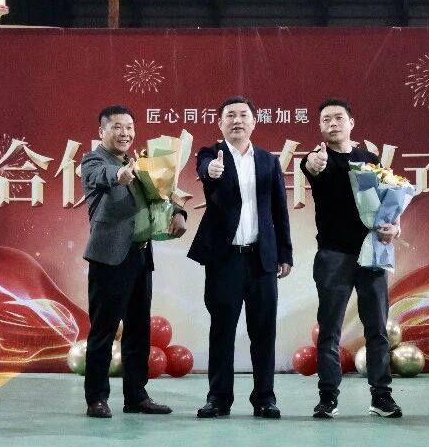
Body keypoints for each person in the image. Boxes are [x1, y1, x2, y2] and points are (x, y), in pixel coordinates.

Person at [187, 96, 292, 419]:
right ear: (220, 123)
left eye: (243, 115)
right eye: (230, 115)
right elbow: (205, 170)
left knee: (264, 332)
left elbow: (279, 209)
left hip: (261, 259)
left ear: (254, 122)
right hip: (225, 260)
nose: (237, 121)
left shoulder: (268, 161)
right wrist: (212, 170)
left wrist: (285, 253)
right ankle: (218, 399)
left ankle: (265, 399)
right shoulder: (210, 154)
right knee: (222, 330)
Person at [81, 105, 187, 419]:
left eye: (129, 127)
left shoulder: (140, 163)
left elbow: (162, 196)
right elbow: (102, 176)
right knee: (104, 330)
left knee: (139, 330)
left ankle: (137, 397)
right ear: (102, 131)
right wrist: (119, 175)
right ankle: (96, 399)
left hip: (140, 256)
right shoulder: (94, 161)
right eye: (117, 127)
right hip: (110, 259)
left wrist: (179, 213)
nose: (125, 133)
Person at [300, 98, 403, 419]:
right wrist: (312, 162)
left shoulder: (369, 160)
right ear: (320, 127)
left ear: (351, 123)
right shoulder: (317, 158)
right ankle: (327, 397)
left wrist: (394, 227)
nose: (333, 124)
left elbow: (389, 201)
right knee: (330, 330)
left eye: (338, 118)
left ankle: (381, 396)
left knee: (377, 329)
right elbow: (310, 166)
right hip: (333, 255)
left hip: (371, 252)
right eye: (326, 120)